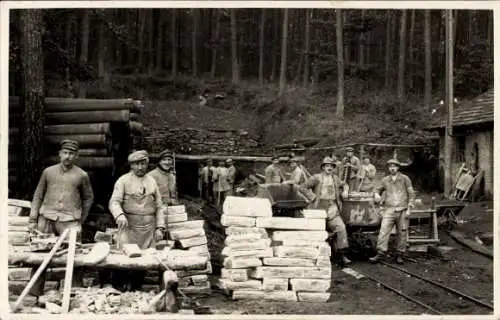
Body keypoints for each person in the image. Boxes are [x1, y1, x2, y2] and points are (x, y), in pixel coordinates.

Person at [27, 140, 94, 302]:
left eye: (71, 154)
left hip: (70, 221)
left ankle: (73, 294)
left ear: (76, 156)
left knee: (74, 256)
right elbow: (38, 195)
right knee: (39, 254)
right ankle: (34, 293)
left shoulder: (81, 175)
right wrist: (33, 219)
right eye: (65, 153)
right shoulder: (48, 172)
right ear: (60, 154)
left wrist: (80, 219)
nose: (68, 157)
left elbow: (88, 198)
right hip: (46, 218)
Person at [109, 150, 166, 290]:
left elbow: (159, 207)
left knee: (143, 263)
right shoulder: (123, 180)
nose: (140, 167)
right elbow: (114, 202)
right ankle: (118, 289)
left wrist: (160, 227)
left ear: (147, 164)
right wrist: (119, 215)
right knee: (122, 260)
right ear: (131, 165)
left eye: (143, 163)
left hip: (148, 229)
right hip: (129, 228)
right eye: (136, 164)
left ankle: (136, 290)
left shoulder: (152, 181)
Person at [302, 157, 351, 267]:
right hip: (318, 208)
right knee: (316, 231)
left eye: (332, 166)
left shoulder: (336, 178)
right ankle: (314, 255)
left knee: (341, 228)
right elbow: (303, 187)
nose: (329, 168)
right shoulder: (316, 178)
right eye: (327, 166)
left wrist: (346, 191)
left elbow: (345, 184)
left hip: (332, 207)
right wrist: (313, 197)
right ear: (323, 167)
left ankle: (341, 254)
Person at [369, 158, 415, 264]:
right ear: (388, 168)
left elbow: (411, 193)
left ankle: (400, 254)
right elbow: (378, 189)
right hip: (389, 210)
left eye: (394, 166)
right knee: (383, 231)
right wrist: (376, 194)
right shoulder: (385, 180)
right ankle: (380, 253)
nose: (392, 168)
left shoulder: (404, 178)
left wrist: (409, 208)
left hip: (403, 209)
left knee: (402, 233)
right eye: (390, 166)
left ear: (398, 168)